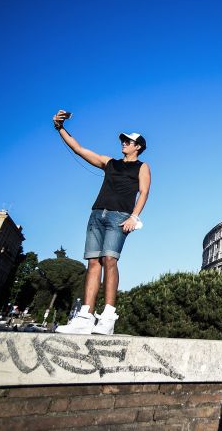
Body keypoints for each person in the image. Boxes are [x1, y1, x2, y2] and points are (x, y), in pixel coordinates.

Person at [52, 109, 151, 335]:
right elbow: (79, 149)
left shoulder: (142, 167)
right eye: (124, 140)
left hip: (119, 217)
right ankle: (85, 316)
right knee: (93, 263)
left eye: (129, 141)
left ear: (138, 147)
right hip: (97, 213)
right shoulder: (110, 162)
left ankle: (107, 316)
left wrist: (134, 217)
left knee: (110, 260)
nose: (124, 143)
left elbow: (144, 192)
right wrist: (60, 128)